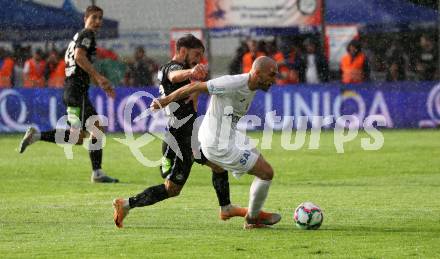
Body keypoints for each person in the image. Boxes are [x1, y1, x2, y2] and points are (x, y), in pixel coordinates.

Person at [112, 35, 271, 229]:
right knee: (172, 189)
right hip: (180, 139)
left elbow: (190, 88)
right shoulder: (173, 67)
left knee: (218, 166)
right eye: (196, 54)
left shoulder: (178, 72)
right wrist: (191, 72)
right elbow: (175, 76)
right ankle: (126, 204)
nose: (198, 60)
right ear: (183, 51)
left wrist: (193, 88)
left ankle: (226, 207)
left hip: (191, 133)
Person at [149, 56, 282, 229]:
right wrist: (166, 100)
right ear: (257, 73)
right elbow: (195, 86)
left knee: (260, 163)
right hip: (218, 143)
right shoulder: (231, 83)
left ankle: (248, 215)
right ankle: (252, 219)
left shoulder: (252, 85)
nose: (274, 80)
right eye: (271, 75)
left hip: (229, 135)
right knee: (266, 173)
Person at [18, 5, 119, 183]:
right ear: (85, 18)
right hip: (75, 91)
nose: (97, 22)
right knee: (86, 132)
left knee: (86, 133)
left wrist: (100, 82)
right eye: (94, 17)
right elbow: (80, 57)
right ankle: (96, 172)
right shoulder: (87, 35)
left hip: (74, 90)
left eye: (100, 18)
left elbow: (80, 63)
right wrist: (98, 76)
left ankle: (97, 172)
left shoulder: (78, 36)